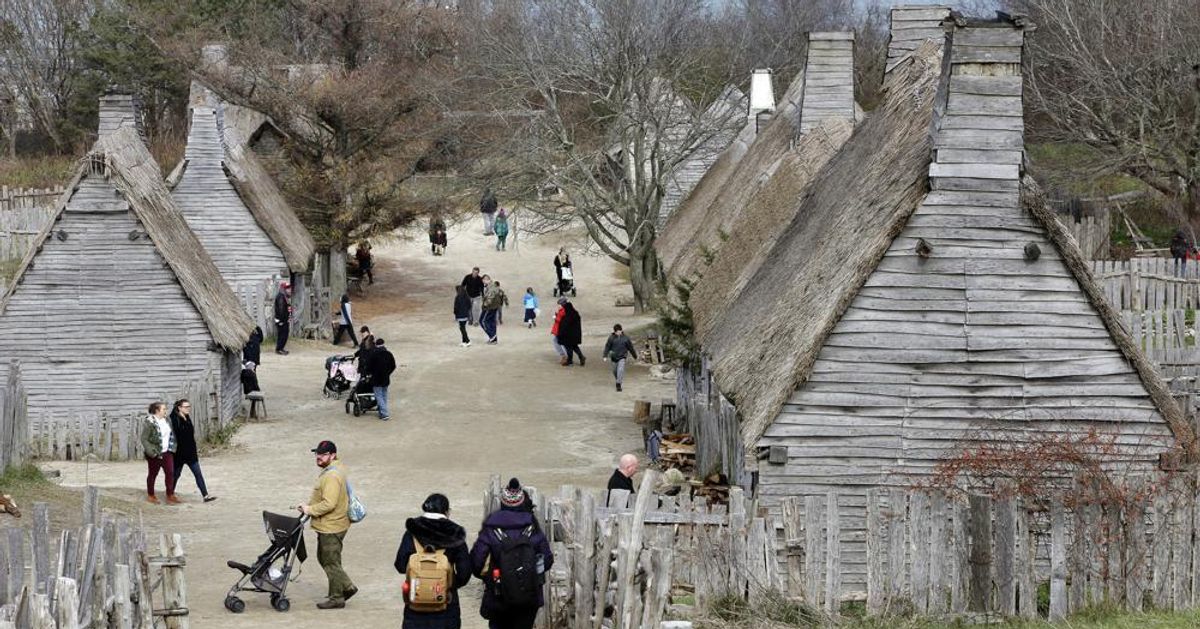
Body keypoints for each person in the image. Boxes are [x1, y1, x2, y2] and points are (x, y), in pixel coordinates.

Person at [470, 479, 554, 629]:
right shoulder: (532, 529)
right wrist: (528, 574)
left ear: (502, 503)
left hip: (498, 594)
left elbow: (476, 562)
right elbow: (547, 560)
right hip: (528, 597)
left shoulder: (491, 529)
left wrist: (489, 577)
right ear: (522, 503)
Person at [394, 493, 473, 629]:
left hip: (415, 603)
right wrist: (449, 584)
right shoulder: (455, 533)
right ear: (447, 512)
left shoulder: (412, 532)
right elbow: (465, 572)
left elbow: (400, 565)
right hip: (446, 606)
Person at [299, 440, 358, 609]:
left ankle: (339, 595)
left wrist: (309, 509)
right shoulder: (336, 469)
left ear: (333, 455)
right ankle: (342, 589)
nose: (318, 457)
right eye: (317, 453)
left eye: (323, 454)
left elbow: (329, 503)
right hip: (335, 524)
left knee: (330, 561)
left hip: (331, 526)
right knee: (326, 558)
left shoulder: (332, 476)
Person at [170, 399, 216, 503]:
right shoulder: (174, 418)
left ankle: (205, 495)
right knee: (176, 475)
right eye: (186, 407)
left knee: (198, 473)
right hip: (179, 454)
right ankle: (170, 493)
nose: (188, 409)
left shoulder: (187, 418)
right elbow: (176, 432)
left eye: (189, 407)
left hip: (191, 452)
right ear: (179, 408)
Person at [139, 402, 179, 505]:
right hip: (155, 453)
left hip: (167, 452)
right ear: (157, 411)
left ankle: (170, 495)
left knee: (170, 473)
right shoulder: (150, 422)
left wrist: (173, 446)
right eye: (164, 409)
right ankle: (151, 495)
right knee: (153, 474)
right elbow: (144, 439)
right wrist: (151, 452)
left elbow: (172, 434)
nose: (166, 411)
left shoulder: (167, 420)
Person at [364, 337, 397, 420]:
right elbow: (393, 366)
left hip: (376, 379)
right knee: (384, 395)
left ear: (376, 345)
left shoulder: (373, 354)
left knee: (378, 396)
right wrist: (388, 373)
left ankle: (384, 413)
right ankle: (382, 411)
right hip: (385, 378)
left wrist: (369, 374)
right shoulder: (388, 354)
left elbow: (368, 367)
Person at [602, 324, 638, 392]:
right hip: (613, 357)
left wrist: (634, 356)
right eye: (617, 332)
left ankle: (618, 384)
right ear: (615, 332)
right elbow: (607, 347)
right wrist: (605, 355)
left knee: (620, 370)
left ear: (621, 330)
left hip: (622, 357)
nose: (619, 333)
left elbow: (630, 348)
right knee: (615, 371)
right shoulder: (611, 338)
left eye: (620, 331)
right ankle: (618, 379)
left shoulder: (626, 338)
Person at [557, 301, 584, 366]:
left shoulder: (567, 315)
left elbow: (564, 325)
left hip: (568, 335)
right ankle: (581, 357)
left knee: (568, 347)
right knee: (575, 346)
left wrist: (560, 333)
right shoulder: (576, 314)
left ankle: (570, 360)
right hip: (576, 335)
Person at [481, 276, 507, 344]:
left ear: (486, 280)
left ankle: (492, 336)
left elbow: (490, 298)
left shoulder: (491, 288)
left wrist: (484, 305)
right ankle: (494, 339)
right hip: (495, 307)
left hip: (489, 307)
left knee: (482, 321)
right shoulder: (494, 286)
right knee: (491, 321)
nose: (483, 283)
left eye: (483, 281)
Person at [274, 282, 292, 355]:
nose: (289, 290)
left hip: (284, 319)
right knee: (282, 334)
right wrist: (282, 320)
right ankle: (279, 349)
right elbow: (281, 309)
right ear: (283, 289)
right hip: (281, 320)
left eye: (289, 288)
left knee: (284, 334)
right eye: (287, 288)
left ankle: (281, 348)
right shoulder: (281, 297)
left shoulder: (284, 296)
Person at [549, 298, 568, 365]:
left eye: (559, 304)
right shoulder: (562, 310)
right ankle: (565, 356)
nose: (558, 306)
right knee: (558, 342)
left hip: (561, 330)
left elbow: (561, 320)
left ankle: (565, 356)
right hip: (560, 329)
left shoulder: (563, 311)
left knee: (558, 342)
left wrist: (555, 317)